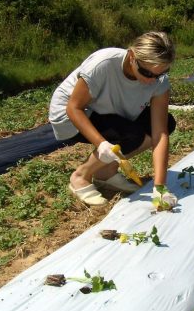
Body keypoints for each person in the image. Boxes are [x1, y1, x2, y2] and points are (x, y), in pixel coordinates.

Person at [49, 31, 179, 208]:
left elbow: (160, 133)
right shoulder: (103, 64)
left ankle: (105, 172)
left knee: (166, 123)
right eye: (147, 73)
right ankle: (80, 176)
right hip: (73, 114)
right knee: (130, 134)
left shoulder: (159, 81)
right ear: (132, 56)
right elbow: (74, 107)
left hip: (110, 111)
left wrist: (160, 186)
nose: (152, 80)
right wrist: (101, 143)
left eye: (160, 74)